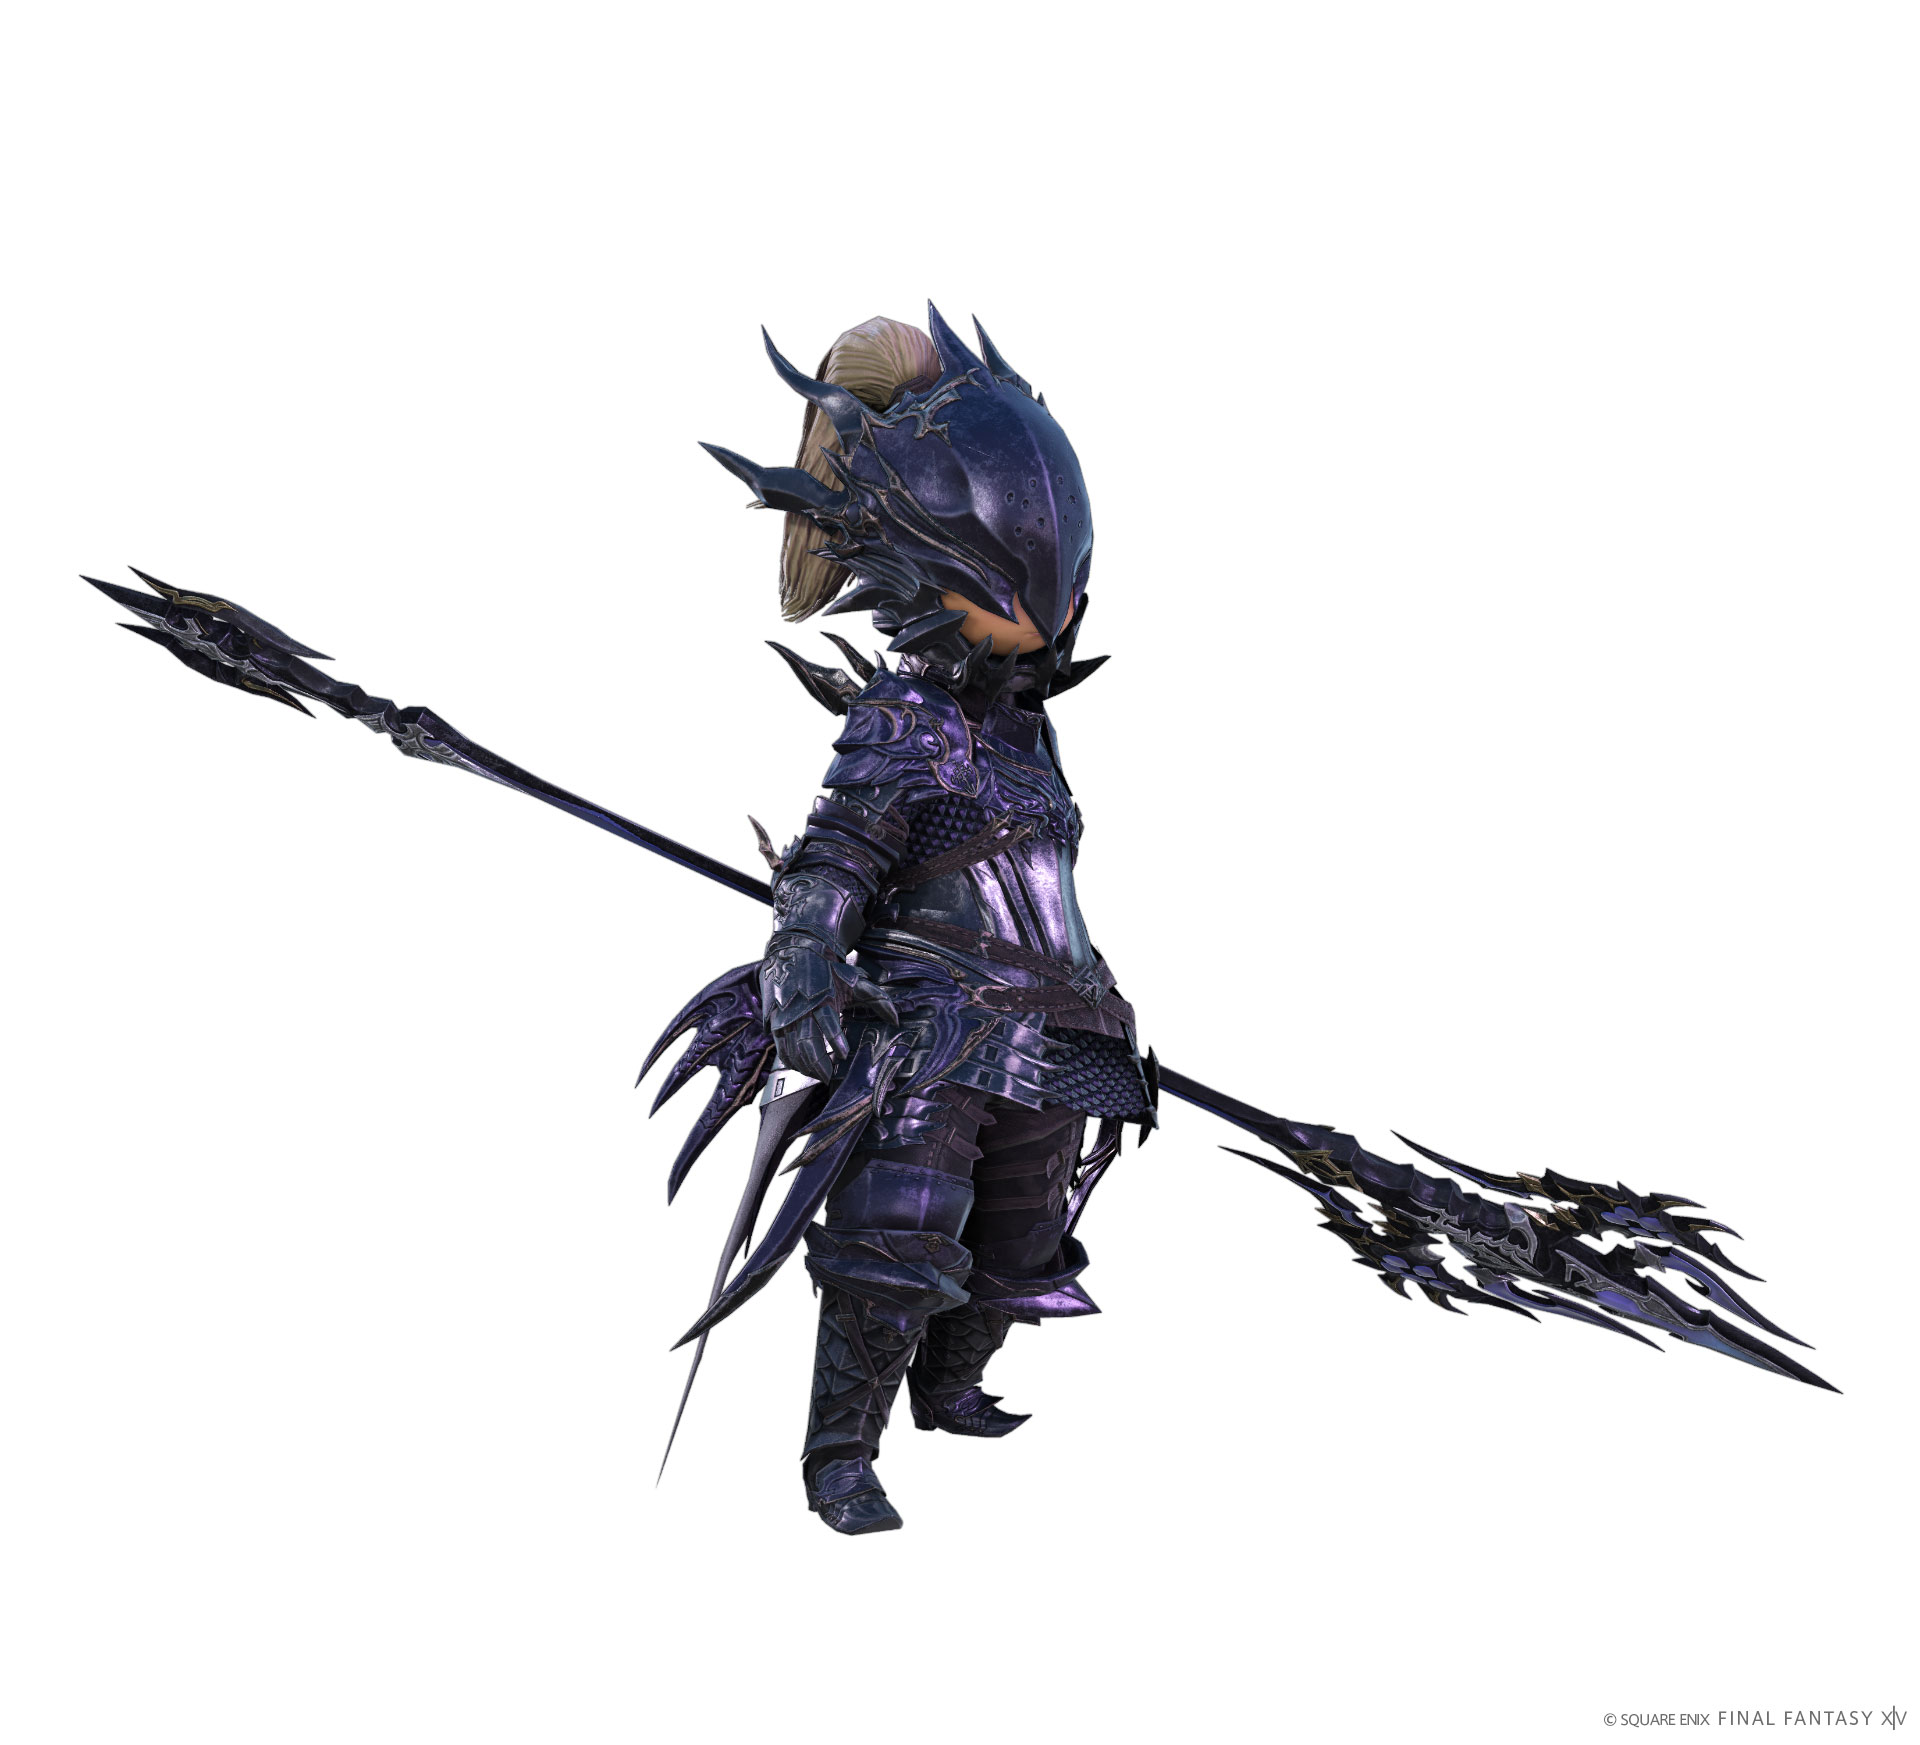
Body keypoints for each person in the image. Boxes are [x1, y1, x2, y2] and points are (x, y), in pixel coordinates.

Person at [666, 307, 1155, 1534]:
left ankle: (950, 1386)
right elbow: (841, 851)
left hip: (1058, 1025)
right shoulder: (905, 720)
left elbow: (1045, 878)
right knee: (897, 1241)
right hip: (931, 1029)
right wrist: (805, 947)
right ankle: (841, 1453)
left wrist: (1094, 988)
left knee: (1023, 1239)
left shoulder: (1028, 729)